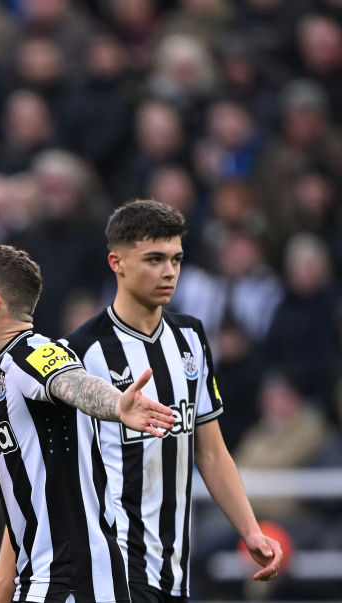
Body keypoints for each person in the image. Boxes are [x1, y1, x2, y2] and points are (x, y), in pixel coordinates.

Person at [62, 200, 282, 602]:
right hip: (109, 567)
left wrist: (251, 530)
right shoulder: (80, 351)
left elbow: (212, 452)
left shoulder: (191, 339)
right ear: (117, 262)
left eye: (177, 259)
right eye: (154, 259)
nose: (169, 271)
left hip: (172, 568)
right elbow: (53, 467)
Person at [0, 243, 177, 602]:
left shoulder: (32, 352)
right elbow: (35, 481)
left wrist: (116, 404)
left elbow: (74, 382)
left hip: (73, 584)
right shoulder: (5, 376)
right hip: (43, 580)